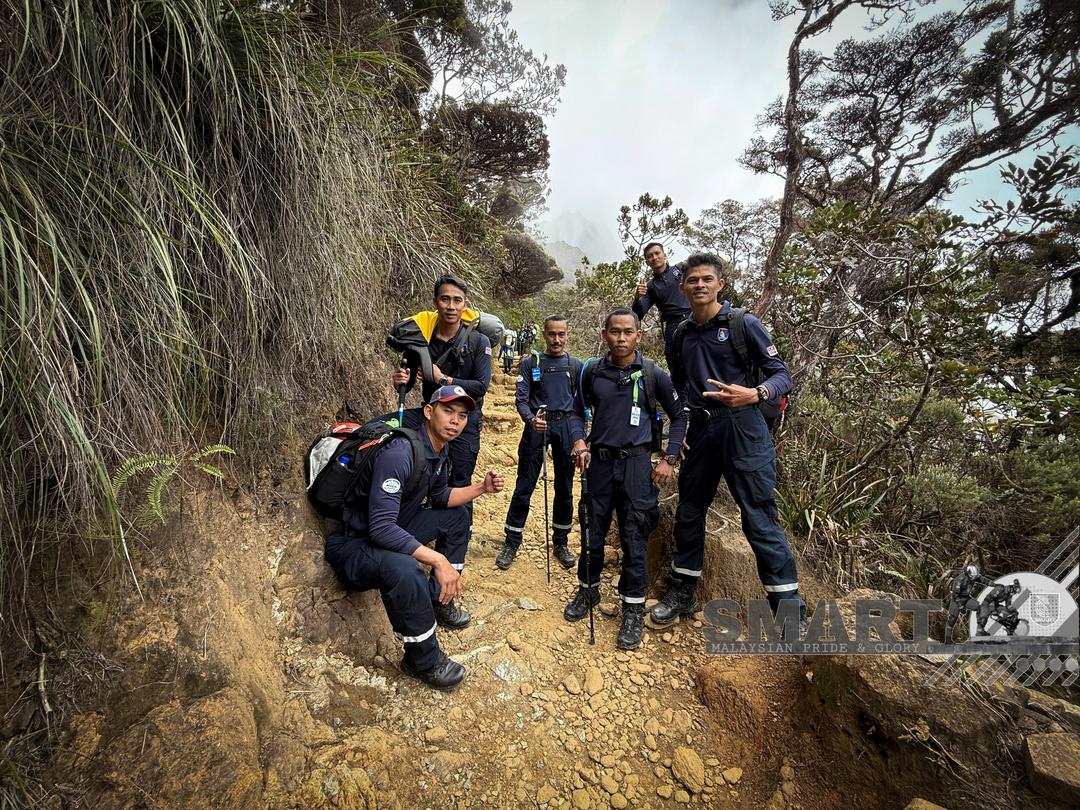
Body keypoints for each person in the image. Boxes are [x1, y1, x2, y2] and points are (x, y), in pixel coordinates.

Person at [651, 253, 803, 630]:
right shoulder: (680, 334)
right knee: (690, 511)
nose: (699, 285)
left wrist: (755, 393)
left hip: (743, 427)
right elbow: (680, 389)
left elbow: (782, 375)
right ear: (682, 287)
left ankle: (789, 612)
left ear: (720, 284)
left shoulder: (742, 323)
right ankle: (682, 591)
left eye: (707, 279)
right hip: (701, 431)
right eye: (692, 280)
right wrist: (678, 434)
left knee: (759, 516)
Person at [324, 386, 505, 690]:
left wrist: (481, 489)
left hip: (392, 528)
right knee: (406, 570)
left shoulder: (437, 449)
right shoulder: (400, 453)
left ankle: (438, 599)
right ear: (428, 412)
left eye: (462, 416)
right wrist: (437, 559)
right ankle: (422, 660)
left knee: (458, 517)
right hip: (353, 543)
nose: (455, 421)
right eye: (448, 411)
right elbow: (381, 528)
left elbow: (441, 496)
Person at [565, 308, 688, 650]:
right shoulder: (592, 371)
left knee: (635, 538)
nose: (621, 338)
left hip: (637, 466)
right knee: (592, 532)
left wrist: (669, 458)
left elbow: (679, 416)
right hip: (599, 465)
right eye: (615, 331)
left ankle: (632, 609)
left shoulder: (652, 373)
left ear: (638, 336)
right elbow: (575, 411)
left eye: (628, 332)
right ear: (605, 334)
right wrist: (578, 440)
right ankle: (587, 590)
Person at [391, 276, 492, 539]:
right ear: (435, 302)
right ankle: (423, 530)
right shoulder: (421, 340)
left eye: (457, 300)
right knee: (427, 477)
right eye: (445, 299)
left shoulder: (479, 342)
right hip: (430, 419)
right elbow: (409, 381)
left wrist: (444, 379)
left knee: (460, 479)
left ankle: (459, 537)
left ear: (465, 305)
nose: (451, 306)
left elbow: (480, 386)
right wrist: (401, 381)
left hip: (464, 422)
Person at [497, 316, 586, 571]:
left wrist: (581, 437)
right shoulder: (531, 363)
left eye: (561, 334)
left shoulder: (576, 366)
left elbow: (583, 404)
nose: (556, 339)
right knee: (525, 484)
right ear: (544, 334)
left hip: (566, 426)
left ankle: (561, 542)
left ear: (568, 334)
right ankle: (512, 541)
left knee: (565, 487)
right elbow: (521, 399)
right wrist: (530, 419)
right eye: (552, 334)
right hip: (537, 425)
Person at [631, 241, 691, 370]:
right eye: (650, 256)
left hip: (694, 317)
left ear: (664, 255)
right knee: (674, 362)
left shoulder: (681, 269)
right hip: (673, 325)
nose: (654, 257)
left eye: (657, 253)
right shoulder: (650, 286)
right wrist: (637, 298)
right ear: (647, 262)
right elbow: (637, 315)